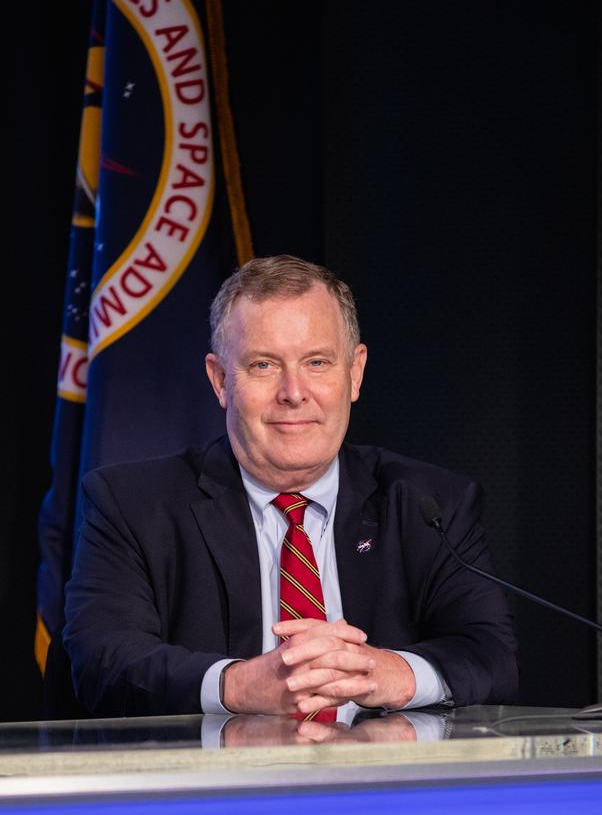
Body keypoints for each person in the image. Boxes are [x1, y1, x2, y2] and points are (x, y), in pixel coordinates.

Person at [63, 256, 517, 719]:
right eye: (263, 365)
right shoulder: (133, 506)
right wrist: (236, 686)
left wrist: (388, 673)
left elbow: (491, 655)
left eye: (317, 363)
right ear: (220, 380)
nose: (294, 392)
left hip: (377, 765)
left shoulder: (429, 504)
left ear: (355, 372)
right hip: (213, 767)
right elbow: (102, 660)